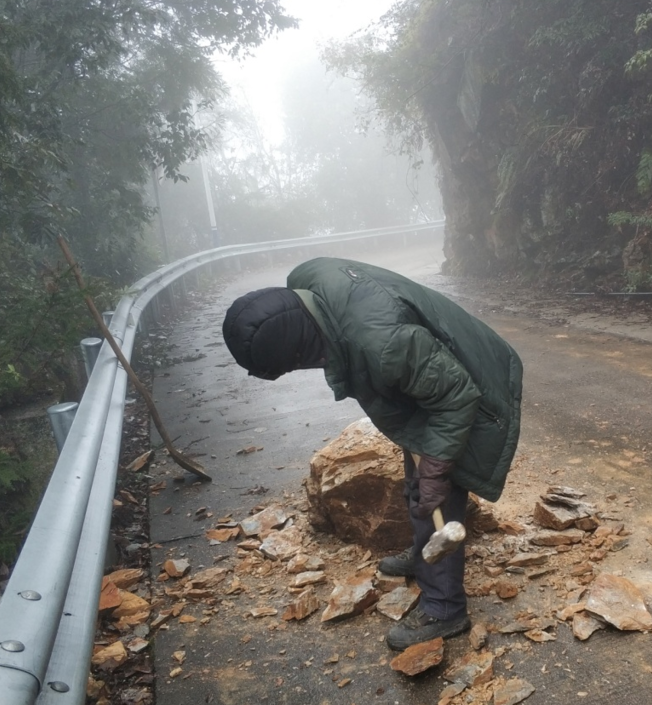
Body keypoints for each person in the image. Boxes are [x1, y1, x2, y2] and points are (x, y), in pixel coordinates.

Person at [221, 256, 523, 648]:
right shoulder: (309, 280)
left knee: (437, 485)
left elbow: (455, 396)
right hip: (433, 363)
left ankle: (446, 609)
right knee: (421, 461)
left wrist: (434, 471)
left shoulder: (381, 344)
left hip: (472, 376)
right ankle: (424, 551)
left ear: (299, 353)